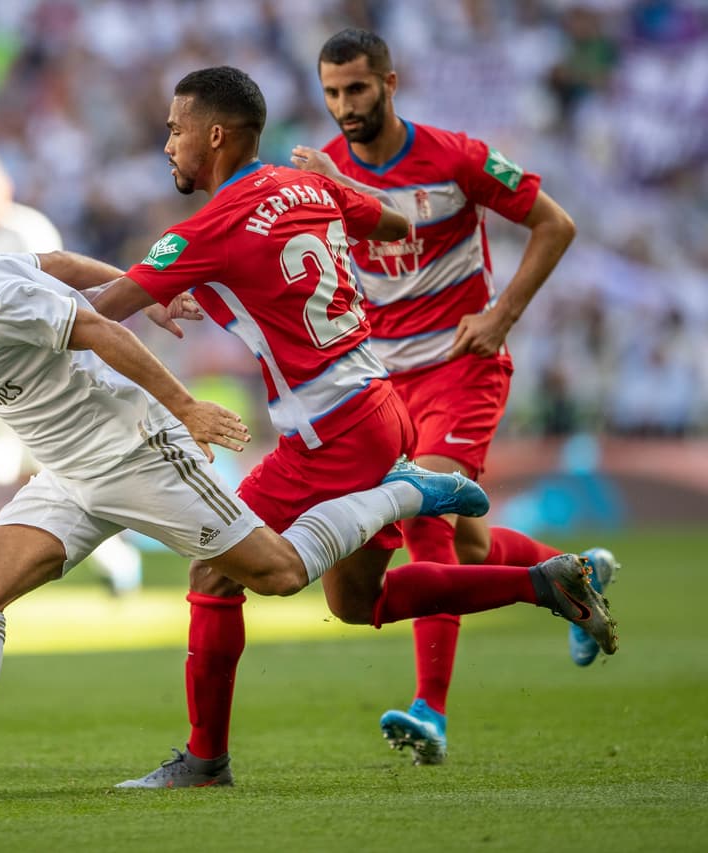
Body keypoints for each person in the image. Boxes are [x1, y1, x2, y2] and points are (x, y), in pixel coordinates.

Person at [0, 186, 514, 798]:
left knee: (276, 573)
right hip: (70, 476)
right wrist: (149, 290)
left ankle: (403, 493)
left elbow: (98, 328)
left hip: (136, 454)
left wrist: (185, 407)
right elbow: (61, 264)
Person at [61, 66, 616, 789]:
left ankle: (205, 760)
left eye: (175, 129)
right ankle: (541, 582)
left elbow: (101, 308)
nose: (167, 144)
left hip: (330, 435)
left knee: (214, 567)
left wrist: (5, 309)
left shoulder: (209, 226)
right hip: (380, 408)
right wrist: (337, 183)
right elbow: (394, 223)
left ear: (216, 135)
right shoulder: (306, 183)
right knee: (356, 603)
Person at [289, 27, 616, 765]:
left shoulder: (456, 156)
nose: (346, 106)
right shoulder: (326, 173)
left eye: (359, 89)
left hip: (461, 365)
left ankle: (429, 708)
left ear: (390, 83)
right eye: (333, 93)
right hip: (381, 385)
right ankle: (571, 574)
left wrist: (500, 316)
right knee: (467, 546)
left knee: (422, 508)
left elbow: (554, 224)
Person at [0, 148, 142, 597]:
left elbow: (56, 296)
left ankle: (118, 561)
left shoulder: (27, 231)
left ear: (3, 186)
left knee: (55, 475)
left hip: (33, 378)